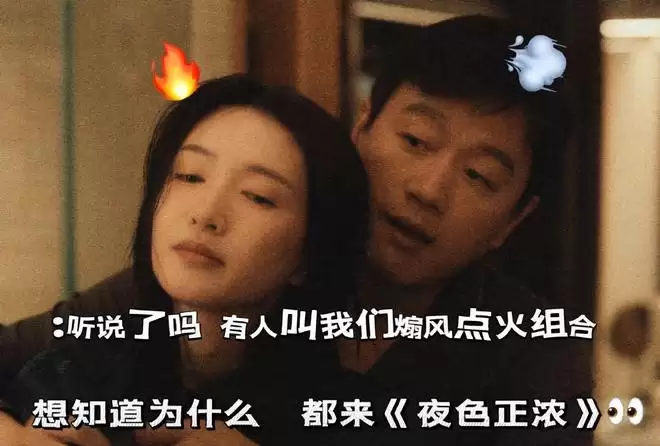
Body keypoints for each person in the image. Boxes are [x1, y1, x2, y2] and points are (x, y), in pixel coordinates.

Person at [1, 15, 594, 445]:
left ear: (512, 221)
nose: (429, 189)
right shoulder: (242, 274)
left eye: (479, 176)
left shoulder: (536, 361)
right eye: (415, 140)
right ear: (362, 127)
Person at [0, 74, 371, 445]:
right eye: (190, 176)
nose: (206, 214)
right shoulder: (79, 370)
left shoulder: (345, 418)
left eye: (258, 196)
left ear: (308, 255)